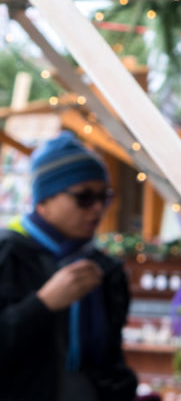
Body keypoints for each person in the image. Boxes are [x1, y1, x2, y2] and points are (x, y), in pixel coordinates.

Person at [0, 131, 137, 400]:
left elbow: (111, 356)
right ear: (44, 202)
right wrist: (43, 304)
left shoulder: (104, 268)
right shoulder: (9, 254)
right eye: (84, 197)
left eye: (104, 197)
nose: (97, 209)